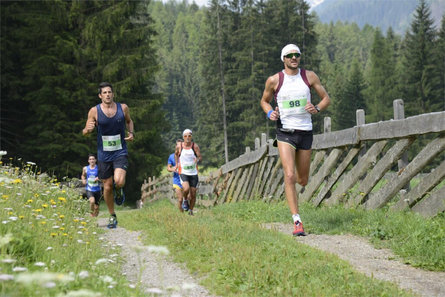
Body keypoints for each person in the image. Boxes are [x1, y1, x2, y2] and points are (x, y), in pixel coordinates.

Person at [260, 44, 331, 236]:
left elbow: (326, 98)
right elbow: (264, 101)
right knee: (289, 175)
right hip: (285, 132)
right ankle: (297, 221)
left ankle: (297, 198)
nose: (293, 58)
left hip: (305, 132)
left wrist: (316, 108)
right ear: (283, 58)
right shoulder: (275, 80)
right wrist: (270, 113)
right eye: (289, 55)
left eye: (296, 55)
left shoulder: (309, 76)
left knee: (303, 179)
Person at [82, 82, 134, 228]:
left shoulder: (122, 108)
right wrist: (88, 129)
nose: (107, 95)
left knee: (118, 181)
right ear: (100, 96)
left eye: (109, 92)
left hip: (120, 151)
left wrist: (131, 133)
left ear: (113, 94)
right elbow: (85, 131)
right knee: (107, 186)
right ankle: (112, 215)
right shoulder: (94, 111)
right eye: (104, 93)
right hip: (103, 155)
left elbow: (129, 122)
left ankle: (119, 190)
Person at [176, 129, 202, 216]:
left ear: (191, 137)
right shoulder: (180, 146)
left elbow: (200, 157)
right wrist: (177, 165)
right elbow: (176, 154)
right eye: (185, 136)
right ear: (183, 137)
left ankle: (191, 211)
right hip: (183, 172)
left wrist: (197, 160)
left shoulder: (195, 146)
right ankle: (185, 200)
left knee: (193, 193)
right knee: (186, 188)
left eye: (189, 136)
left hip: (193, 173)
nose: (187, 138)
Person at [167, 139, 188, 212]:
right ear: (176, 146)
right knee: (180, 199)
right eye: (178, 145)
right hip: (177, 180)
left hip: (186, 180)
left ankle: (188, 208)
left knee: (188, 197)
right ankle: (181, 213)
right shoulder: (171, 156)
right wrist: (174, 169)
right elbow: (168, 168)